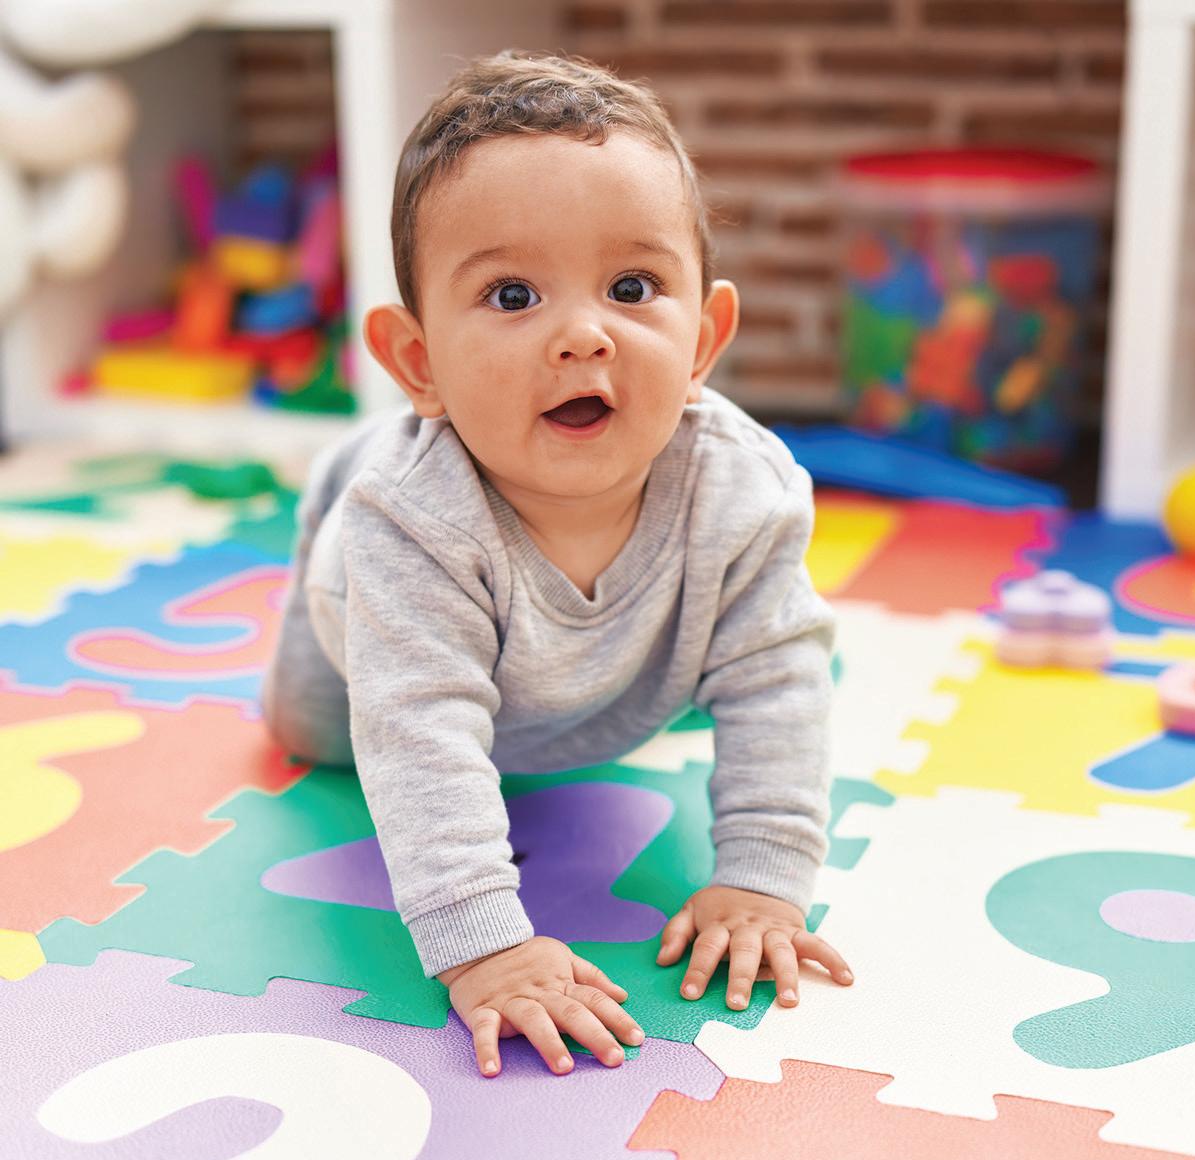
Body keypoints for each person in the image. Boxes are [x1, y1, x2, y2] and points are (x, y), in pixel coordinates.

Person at [262, 48, 853, 1079]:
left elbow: (778, 684)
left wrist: (764, 879)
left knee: (754, 659)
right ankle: (341, 474)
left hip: (601, 678)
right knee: (316, 737)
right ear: (419, 362)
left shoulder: (744, 492)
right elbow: (417, 736)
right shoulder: (408, 523)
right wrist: (484, 946)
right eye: (512, 294)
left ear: (703, 338)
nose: (584, 335)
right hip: (370, 623)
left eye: (632, 287)